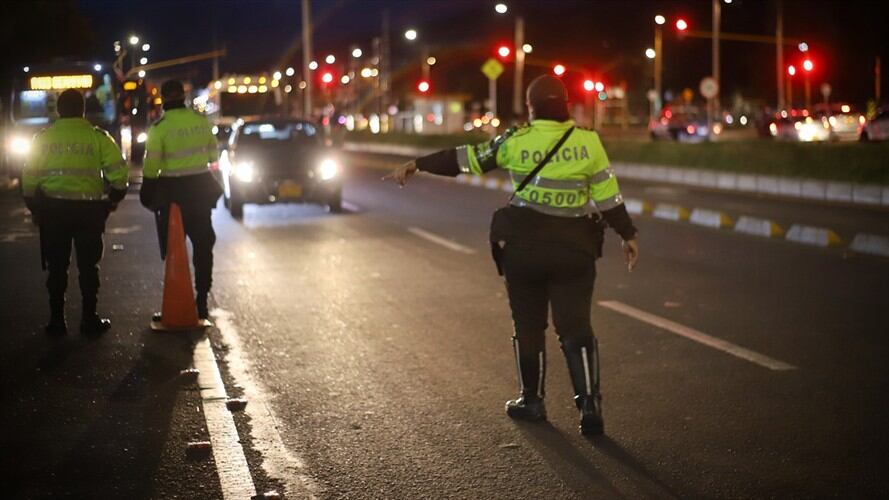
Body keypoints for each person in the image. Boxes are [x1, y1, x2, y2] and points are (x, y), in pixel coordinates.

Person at [387, 75, 639, 435]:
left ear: (532, 106)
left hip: (525, 249)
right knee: (576, 327)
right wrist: (628, 234)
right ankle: (589, 405)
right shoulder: (588, 142)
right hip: (575, 250)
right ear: (566, 104)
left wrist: (418, 163)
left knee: (529, 326)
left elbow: (467, 159)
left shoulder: (515, 141)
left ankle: (532, 402)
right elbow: (608, 197)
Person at [22, 89, 129, 336]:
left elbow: (28, 178)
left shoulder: (42, 139)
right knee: (89, 267)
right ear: (82, 110)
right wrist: (111, 201)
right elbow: (120, 177)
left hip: (53, 211)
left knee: (57, 267)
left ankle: (57, 321)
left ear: (58, 110)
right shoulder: (98, 138)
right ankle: (89, 320)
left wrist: (35, 208)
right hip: (88, 211)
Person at [140, 80, 221, 320]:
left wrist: (148, 190)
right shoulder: (200, 121)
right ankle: (202, 299)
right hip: (199, 188)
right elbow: (212, 154)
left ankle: (176, 302)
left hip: (172, 192)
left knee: (175, 249)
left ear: (164, 98)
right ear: (184, 96)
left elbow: (152, 164)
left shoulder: (159, 128)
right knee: (203, 246)